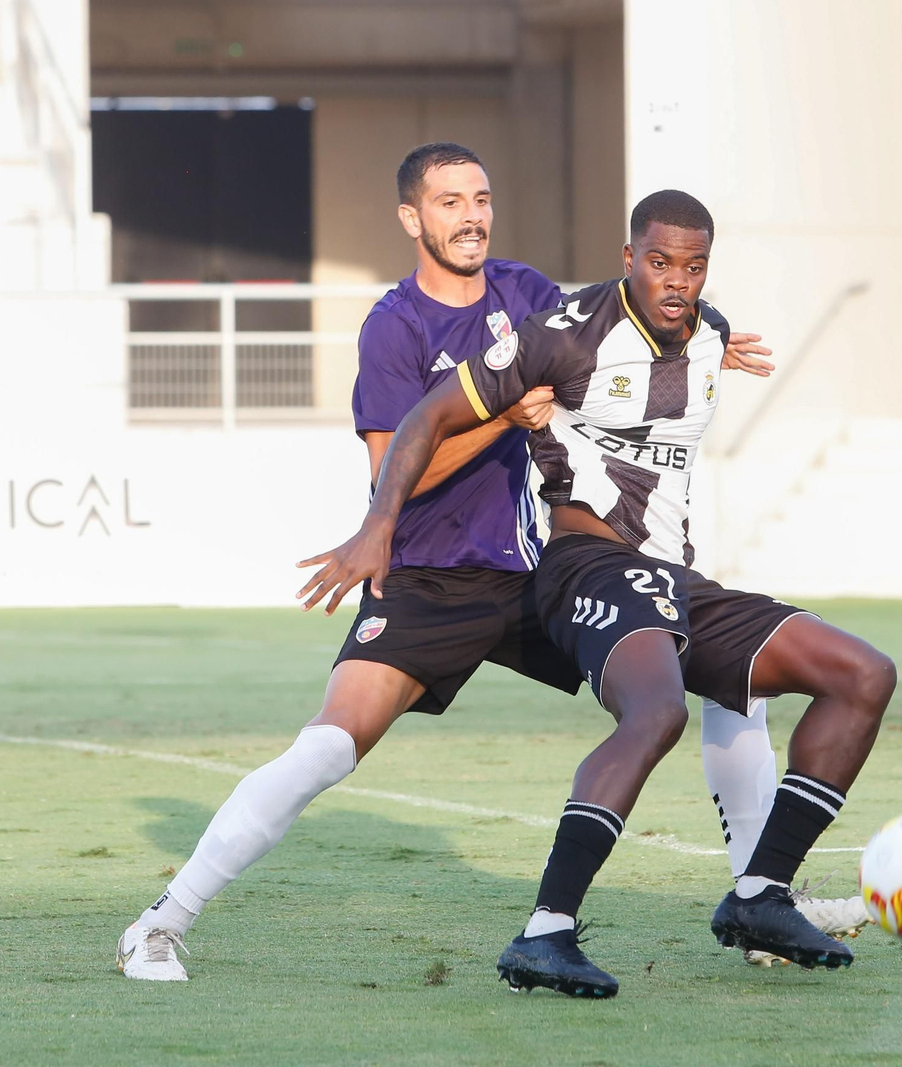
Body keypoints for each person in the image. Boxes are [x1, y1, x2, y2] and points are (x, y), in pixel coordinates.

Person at [115, 145, 838, 982]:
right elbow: (399, 464)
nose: (471, 215)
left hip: (536, 574)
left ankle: (763, 898)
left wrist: (700, 335)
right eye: (449, 200)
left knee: (720, 667)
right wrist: (504, 417)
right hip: (427, 578)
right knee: (326, 748)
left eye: (482, 197)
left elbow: (615, 330)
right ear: (411, 219)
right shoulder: (396, 325)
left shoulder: (525, 291)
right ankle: (160, 923)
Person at [297, 188, 897, 998]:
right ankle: (545, 933)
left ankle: (760, 894)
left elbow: (694, 339)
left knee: (863, 673)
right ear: (628, 259)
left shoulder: (710, 333)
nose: (675, 281)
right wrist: (379, 523)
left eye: (692, 266)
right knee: (656, 713)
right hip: (588, 564)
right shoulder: (562, 336)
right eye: (658, 262)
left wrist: (711, 331)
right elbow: (424, 421)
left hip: (677, 580)